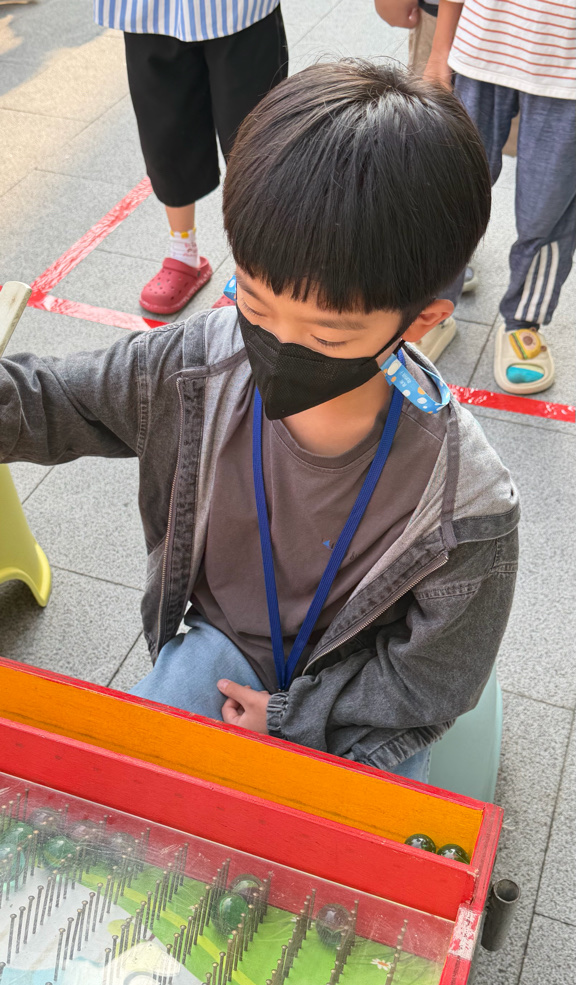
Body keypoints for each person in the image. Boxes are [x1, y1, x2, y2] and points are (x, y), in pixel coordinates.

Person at [0, 62, 519, 784]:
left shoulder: (468, 504)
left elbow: (429, 683)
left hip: (356, 700)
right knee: (121, 789)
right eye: (253, 301)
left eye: (327, 335)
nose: (276, 345)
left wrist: (292, 718)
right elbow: (53, 400)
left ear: (420, 321)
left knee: (358, 845)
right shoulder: (197, 366)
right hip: (227, 650)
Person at [94, 0, 288, 315]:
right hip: (150, 12)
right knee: (165, 134)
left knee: (254, 144)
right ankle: (183, 251)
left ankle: (257, 267)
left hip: (240, 12)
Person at [425, 0, 576, 394]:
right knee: (450, 190)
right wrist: (440, 51)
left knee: (549, 210)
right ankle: (429, 303)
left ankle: (523, 321)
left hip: (569, 72)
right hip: (481, 46)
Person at [373, 0, 478, 364]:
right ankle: (445, 272)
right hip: (443, 20)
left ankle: (449, 270)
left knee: (456, 168)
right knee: (429, 163)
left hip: (542, 41)